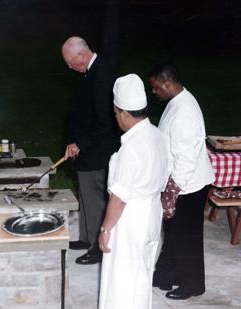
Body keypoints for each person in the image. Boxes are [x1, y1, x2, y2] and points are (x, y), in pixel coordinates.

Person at [98, 74, 170, 309]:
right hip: (151, 213)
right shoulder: (158, 135)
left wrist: (105, 228)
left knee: (122, 280)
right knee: (142, 274)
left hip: (130, 218)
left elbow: (119, 198)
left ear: (125, 114)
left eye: (116, 112)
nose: (116, 117)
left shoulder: (132, 147)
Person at [149, 63, 215, 300]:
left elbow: (186, 160)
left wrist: (171, 194)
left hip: (189, 183)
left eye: (156, 88)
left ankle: (193, 284)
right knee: (174, 232)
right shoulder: (176, 102)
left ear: (167, 84)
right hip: (180, 179)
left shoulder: (184, 112)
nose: (154, 92)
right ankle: (167, 275)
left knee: (186, 237)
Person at [62, 36, 119, 265]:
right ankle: (86, 238)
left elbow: (105, 122)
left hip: (98, 152)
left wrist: (80, 144)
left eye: (69, 61)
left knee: (94, 200)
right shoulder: (91, 71)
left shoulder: (102, 74)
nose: (68, 66)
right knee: (85, 196)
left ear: (82, 55)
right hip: (87, 151)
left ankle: (97, 247)